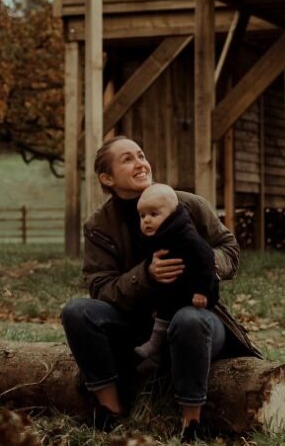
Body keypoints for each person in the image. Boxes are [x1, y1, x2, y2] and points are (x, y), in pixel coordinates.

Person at [60, 136, 258, 440]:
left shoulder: (188, 204)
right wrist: (146, 276)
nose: (140, 162)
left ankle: (192, 422)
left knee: (190, 320)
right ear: (107, 178)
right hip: (135, 329)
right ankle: (111, 411)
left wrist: (203, 263)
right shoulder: (99, 226)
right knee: (76, 311)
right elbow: (100, 287)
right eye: (127, 159)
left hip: (197, 317)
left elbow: (229, 249)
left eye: (141, 154)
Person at [131, 183, 219, 362]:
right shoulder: (155, 236)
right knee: (164, 312)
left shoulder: (186, 236)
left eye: (153, 214)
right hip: (169, 291)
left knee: (183, 319)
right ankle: (156, 351)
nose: (146, 220)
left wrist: (202, 290)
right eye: (142, 216)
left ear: (172, 214)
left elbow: (207, 261)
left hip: (193, 293)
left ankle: (160, 352)